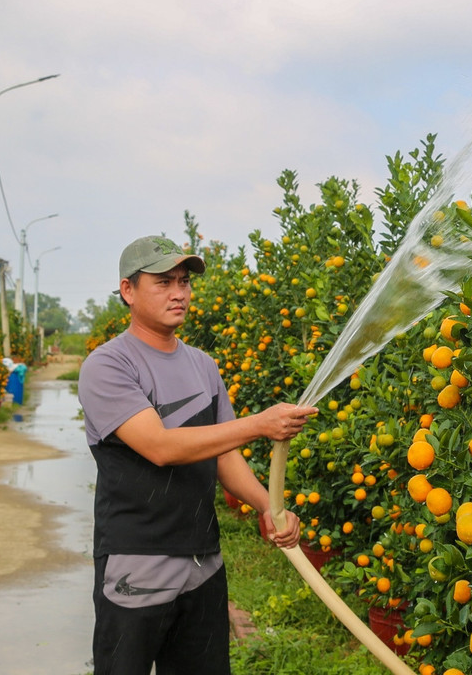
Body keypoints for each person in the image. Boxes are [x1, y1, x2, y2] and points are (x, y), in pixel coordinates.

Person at [78, 235, 317, 675]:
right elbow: (160, 448)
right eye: (164, 282)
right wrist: (259, 424)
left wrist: (269, 507)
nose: (179, 293)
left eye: (184, 282)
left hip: (203, 561)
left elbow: (225, 457)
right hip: (137, 561)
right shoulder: (109, 365)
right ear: (128, 291)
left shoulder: (203, 365)